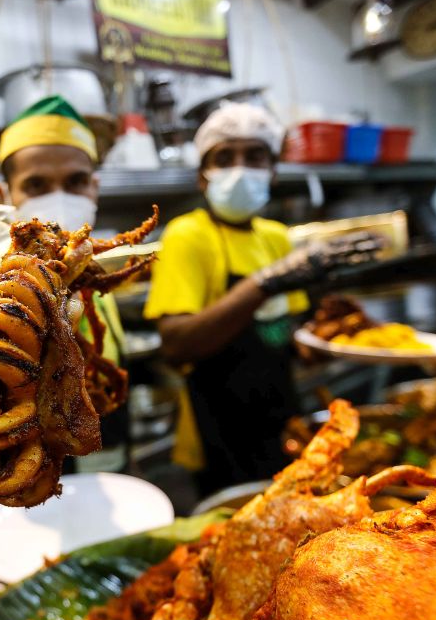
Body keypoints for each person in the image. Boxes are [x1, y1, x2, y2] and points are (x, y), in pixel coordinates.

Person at [143, 102, 382, 494]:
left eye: (254, 156)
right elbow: (177, 345)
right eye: (224, 158)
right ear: (203, 176)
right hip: (218, 429)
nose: (240, 169)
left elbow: (285, 335)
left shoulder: (275, 236)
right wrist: (265, 283)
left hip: (281, 415)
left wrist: (333, 339)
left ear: (272, 169)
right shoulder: (189, 235)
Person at [0, 95, 128, 470]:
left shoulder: (89, 273)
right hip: (29, 440)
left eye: (76, 181)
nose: (59, 197)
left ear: (94, 187)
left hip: (102, 435)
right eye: (37, 185)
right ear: (4, 194)